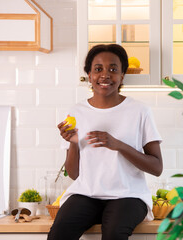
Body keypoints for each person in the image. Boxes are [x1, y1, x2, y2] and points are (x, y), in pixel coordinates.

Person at [47, 44, 163, 240]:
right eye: (98, 69)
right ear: (89, 75)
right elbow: (74, 174)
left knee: (114, 234)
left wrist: (118, 145)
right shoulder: (77, 112)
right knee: (58, 234)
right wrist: (74, 143)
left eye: (113, 69)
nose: (105, 75)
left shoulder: (139, 111)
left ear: (122, 75)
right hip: (86, 194)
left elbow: (157, 167)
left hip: (128, 196)